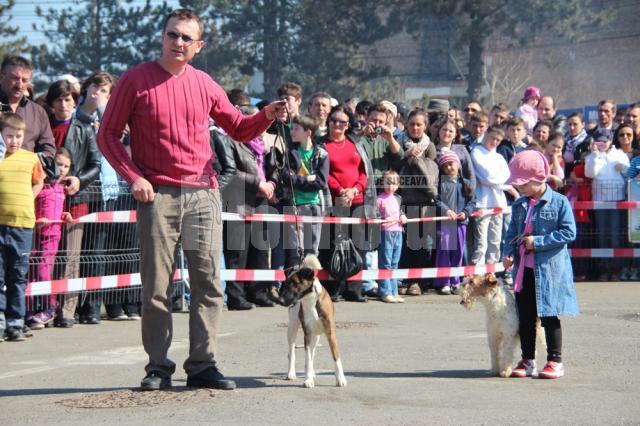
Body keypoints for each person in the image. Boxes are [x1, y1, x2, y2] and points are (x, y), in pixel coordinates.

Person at [97, 9, 285, 391]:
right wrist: (133, 177)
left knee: (209, 283)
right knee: (156, 287)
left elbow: (238, 126)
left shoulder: (205, 84)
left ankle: (202, 365)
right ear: (162, 37)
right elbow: (108, 135)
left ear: (198, 47)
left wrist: (266, 114)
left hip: (203, 193)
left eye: (186, 38)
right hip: (157, 195)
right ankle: (158, 367)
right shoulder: (135, 80)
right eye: (172, 35)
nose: (178, 42)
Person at [503, 150, 578, 379]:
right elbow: (511, 233)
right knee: (525, 316)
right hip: (523, 271)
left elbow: (569, 232)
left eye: (524, 184)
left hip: (549, 272)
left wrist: (538, 242)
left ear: (539, 178)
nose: (520, 188)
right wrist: (508, 252)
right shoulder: (519, 205)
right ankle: (528, 360)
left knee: (549, 315)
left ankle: (555, 361)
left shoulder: (560, 202)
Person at [44, 79, 101, 327]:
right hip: (44, 199)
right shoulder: (43, 127)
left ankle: (67, 309)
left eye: (68, 99)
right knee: (44, 255)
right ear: (52, 102)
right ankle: (44, 306)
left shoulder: (84, 129)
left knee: (70, 256)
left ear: (75, 101)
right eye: (59, 99)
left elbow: (95, 165)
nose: (64, 104)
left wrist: (79, 179)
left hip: (74, 201)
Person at [320, 105, 376, 303]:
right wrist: (341, 191)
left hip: (358, 201)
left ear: (347, 125)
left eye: (342, 121)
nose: (337, 124)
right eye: (334, 120)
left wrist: (354, 190)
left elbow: (364, 172)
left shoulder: (356, 143)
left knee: (358, 247)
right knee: (333, 245)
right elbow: (323, 174)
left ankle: (354, 289)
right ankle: (333, 289)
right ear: (328, 122)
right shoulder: (322, 145)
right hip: (334, 201)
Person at [0, 113, 46, 341]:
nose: (14, 141)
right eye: (9, 136)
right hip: (1, 223)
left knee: (17, 276)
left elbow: (40, 180)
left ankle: (15, 321)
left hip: (22, 225)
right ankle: (1, 320)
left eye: (18, 136)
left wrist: (30, 195)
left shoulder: (30, 159)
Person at [27, 148, 73, 329]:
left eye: (66, 166)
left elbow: (59, 209)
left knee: (43, 272)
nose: (61, 169)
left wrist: (65, 215)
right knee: (29, 272)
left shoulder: (63, 188)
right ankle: (28, 309)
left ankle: (50, 306)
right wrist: (37, 219)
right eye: (59, 164)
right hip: (34, 233)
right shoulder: (41, 184)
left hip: (52, 236)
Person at [280, 114, 329, 266]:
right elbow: (287, 179)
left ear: (308, 132)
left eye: (296, 129)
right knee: (295, 251)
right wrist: (308, 179)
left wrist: (298, 180)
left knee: (313, 251)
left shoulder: (322, 154)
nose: (292, 132)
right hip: (295, 205)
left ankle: (310, 284)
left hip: (315, 206)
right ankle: (296, 284)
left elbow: (321, 182)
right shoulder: (290, 153)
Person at [585, 130, 630, 281]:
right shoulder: (592, 156)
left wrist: (622, 168)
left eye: (605, 141)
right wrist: (594, 155)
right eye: (599, 141)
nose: (602, 144)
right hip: (599, 202)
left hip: (617, 201)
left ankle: (616, 269)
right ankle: (604, 269)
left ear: (611, 140)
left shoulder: (620, 155)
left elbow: (630, 174)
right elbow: (590, 174)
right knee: (602, 236)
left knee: (616, 236)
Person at [0, 56, 56, 174]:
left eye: (25, 80)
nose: (20, 85)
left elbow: (48, 148)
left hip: (26, 181)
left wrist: (34, 166)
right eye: (15, 78)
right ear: (1, 77)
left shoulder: (38, 112)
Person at [470, 125, 516, 266]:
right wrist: (502, 183)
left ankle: (491, 272)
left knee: (495, 241)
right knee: (481, 242)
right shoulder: (476, 151)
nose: (495, 142)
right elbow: (486, 176)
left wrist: (501, 182)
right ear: (486, 134)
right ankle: (478, 272)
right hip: (483, 203)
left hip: (498, 203)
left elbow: (508, 177)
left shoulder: (499, 157)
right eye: (493, 138)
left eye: (498, 140)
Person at [434, 151, 475, 295]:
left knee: (459, 252)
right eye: (445, 166)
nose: (449, 168)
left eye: (451, 164)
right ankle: (443, 282)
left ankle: (455, 281)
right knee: (444, 251)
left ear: (458, 164)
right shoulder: (440, 184)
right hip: (445, 223)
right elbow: (436, 201)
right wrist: (446, 211)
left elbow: (472, 202)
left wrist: (465, 212)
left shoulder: (466, 184)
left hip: (461, 224)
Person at [376, 170, 407, 303]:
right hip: (385, 233)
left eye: (394, 183)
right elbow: (374, 215)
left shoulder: (397, 198)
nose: (391, 186)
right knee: (386, 262)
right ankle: (385, 291)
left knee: (395, 262)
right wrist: (382, 218)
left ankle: (394, 291)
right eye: (388, 183)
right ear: (383, 183)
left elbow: (400, 211)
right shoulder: (379, 199)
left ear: (398, 185)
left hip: (398, 232)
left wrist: (402, 216)